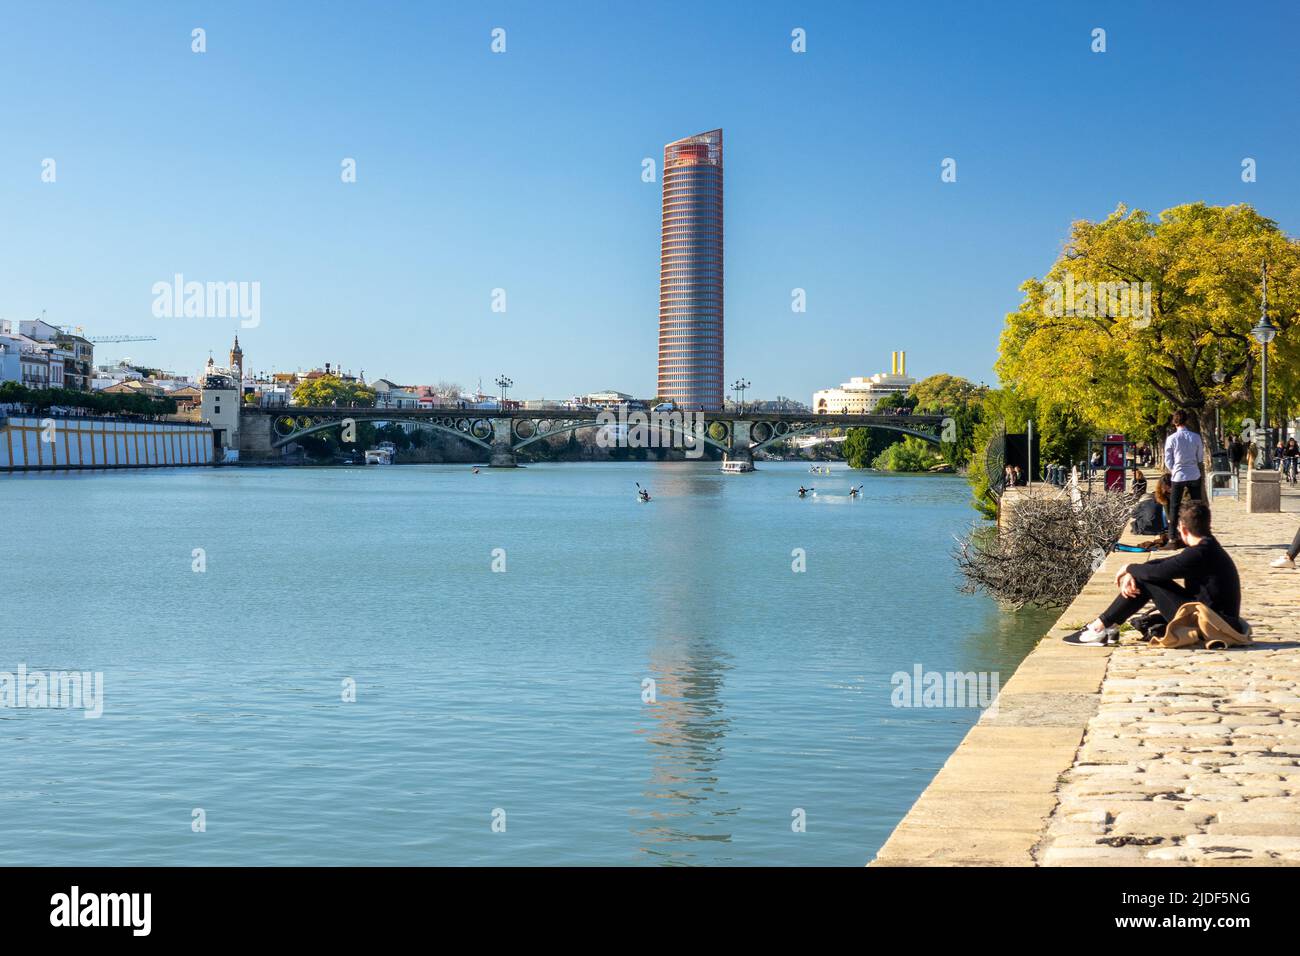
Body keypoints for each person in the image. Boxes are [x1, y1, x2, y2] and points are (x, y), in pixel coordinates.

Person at [1065, 501, 1243, 645]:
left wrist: (1129, 568)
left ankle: (1098, 628)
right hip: (1216, 619)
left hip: (1213, 624)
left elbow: (1157, 572)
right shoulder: (1207, 547)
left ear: (1183, 529)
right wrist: (1132, 569)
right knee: (1145, 575)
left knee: (1146, 580)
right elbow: (1168, 564)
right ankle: (1108, 627)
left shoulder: (1199, 553)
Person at [1163, 410, 1204, 548]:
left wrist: (1174, 470)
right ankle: (1198, 535)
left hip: (1178, 475)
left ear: (1174, 422)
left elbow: (1168, 459)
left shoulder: (1171, 439)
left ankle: (1172, 538)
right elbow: (1200, 457)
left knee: (1174, 507)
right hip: (1194, 473)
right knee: (1196, 506)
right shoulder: (1195, 437)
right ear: (1186, 421)